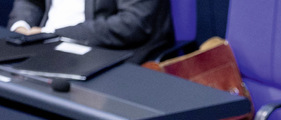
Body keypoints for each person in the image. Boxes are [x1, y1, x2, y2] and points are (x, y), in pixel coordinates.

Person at [7, 0, 174, 63]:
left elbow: (132, 24)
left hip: (102, 50)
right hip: (40, 44)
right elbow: (29, 2)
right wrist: (21, 27)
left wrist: (51, 33)